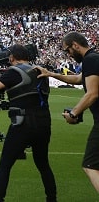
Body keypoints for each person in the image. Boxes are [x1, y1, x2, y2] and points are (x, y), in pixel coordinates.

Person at [0, 44, 56, 202]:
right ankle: (52, 198)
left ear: (11, 57)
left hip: (22, 123)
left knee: (5, 164)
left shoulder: (14, 72)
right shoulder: (40, 71)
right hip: (44, 123)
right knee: (43, 164)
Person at [37, 31, 99, 193]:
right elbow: (79, 79)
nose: (68, 54)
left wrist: (74, 113)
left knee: (90, 165)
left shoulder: (91, 60)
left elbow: (92, 93)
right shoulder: (92, 59)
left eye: (67, 50)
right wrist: (51, 74)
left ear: (75, 45)